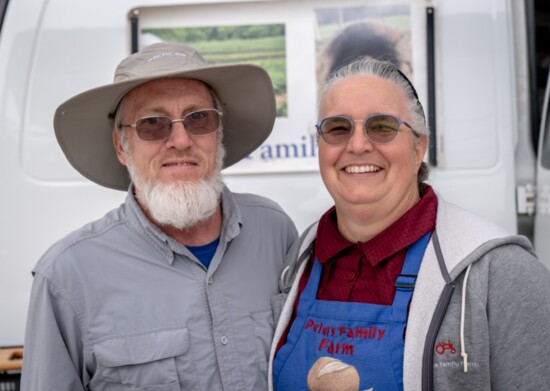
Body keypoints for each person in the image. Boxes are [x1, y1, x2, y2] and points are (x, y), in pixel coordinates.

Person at [21, 42, 298, 391]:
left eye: (199, 118)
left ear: (219, 133)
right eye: (153, 123)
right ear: (122, 146)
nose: (180, 140)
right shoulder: (66, 276)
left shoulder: (275, 232)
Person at [268, 58, 550, 390]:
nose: (357, 145)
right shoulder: (299, 261)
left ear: (419, 147)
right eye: (338, 128)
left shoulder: (500, 272)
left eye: (382, 126)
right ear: (319, 146)